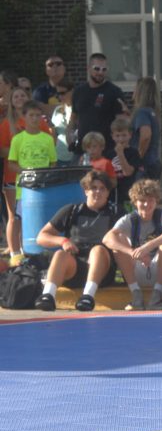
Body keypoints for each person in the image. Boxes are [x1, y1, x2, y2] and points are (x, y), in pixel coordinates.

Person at [34, 171, 121, 312]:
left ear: (108, 193)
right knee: (60, 255)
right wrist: (63, 241)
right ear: (86, 191)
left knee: (97, 250)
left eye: (102, 188)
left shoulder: (116, 213)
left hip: (102, 269)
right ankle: (47, 296)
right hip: (74, 267)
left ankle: (88, 296)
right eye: (93, 187)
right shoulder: (72, 210)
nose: (97, 192)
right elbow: (41, 237)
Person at [103, 179, 162, 311]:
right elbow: (107, 238)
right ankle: (136, 294)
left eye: (150, 200)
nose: (146, 204)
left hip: (160, 268)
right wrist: (132, 252)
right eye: (142, 200)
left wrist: (149, 246)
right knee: (118, 239)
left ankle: (157, 294)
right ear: (135, 202)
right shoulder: (129, 219)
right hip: (136, 269)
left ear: (156, 201)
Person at [1, 90, 56, 264]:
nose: (34, 118)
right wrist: (25, 169)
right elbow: (8, 158)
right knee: (19, 219)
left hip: (41, 185)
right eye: (31, 115)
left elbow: (51, 156)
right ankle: (20, 255)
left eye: (37, 115)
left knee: (41, 216)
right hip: (19, 184)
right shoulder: (12, 132)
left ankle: (40, 254)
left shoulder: (43, 131)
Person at [70, 52, 126, 156]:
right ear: (89, 68)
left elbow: (121, 124)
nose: (100, 72)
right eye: (97, 68)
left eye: (104, 69)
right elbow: (73, 119)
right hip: (82, 151)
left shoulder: (114, 92)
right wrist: (70, 139)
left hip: (107, 151)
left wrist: (120, 148)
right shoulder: (78, 91)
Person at [129, 76, 161, 180]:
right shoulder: (152, 112)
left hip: (144, 164)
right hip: (154, 161)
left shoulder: (141, 112)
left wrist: (138, 157)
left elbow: (146, 135)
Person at [109, 117, 144, 209]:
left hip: (128, 193)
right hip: (112, 195)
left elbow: (127, 172)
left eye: (124, 135)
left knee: (129, 217)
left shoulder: (133, 153)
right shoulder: (108, 153)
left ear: (130, 135)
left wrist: (120, 153)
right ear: (112, 136)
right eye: (117, 136)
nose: (121, 139)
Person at [50, 77, 76, 167]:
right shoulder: (58, 110)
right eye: (58, 94)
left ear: (72, 91)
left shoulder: (80, 110)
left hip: (75, 156)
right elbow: (54, 133)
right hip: (59, 156)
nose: (60, 97)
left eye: (63, 93)